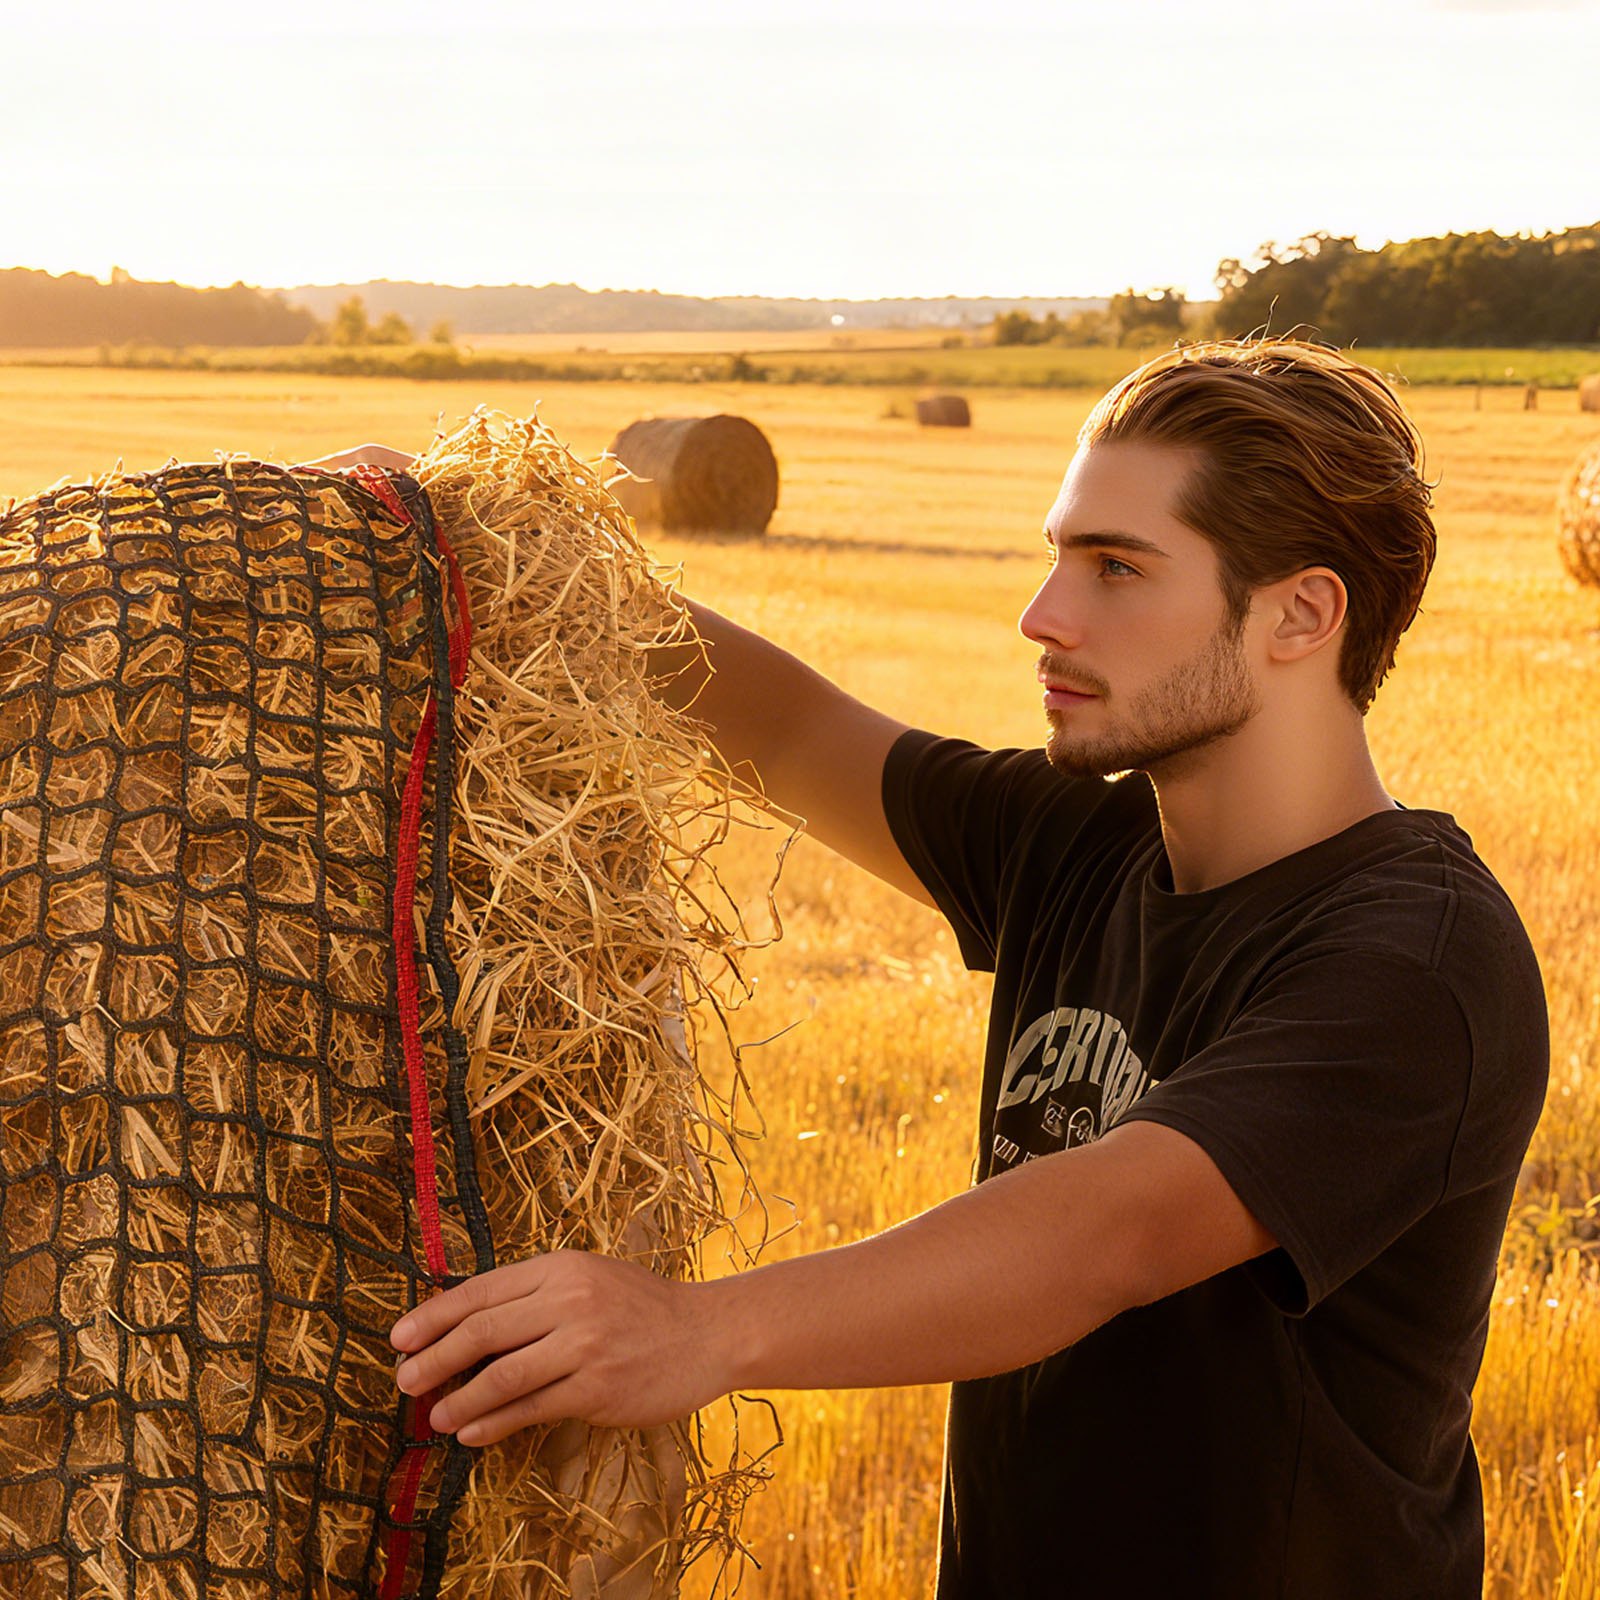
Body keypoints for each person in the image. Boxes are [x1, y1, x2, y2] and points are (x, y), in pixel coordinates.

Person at [369, 338, 1548, 1598]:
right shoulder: (1082, 841)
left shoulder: (1415, 959)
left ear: (1300, 613)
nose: (1044, 613)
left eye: (1115, 568)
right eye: (1059, 554)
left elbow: (1117, 1228)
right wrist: (480, 544)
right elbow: (786, 725)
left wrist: (704, 1328)